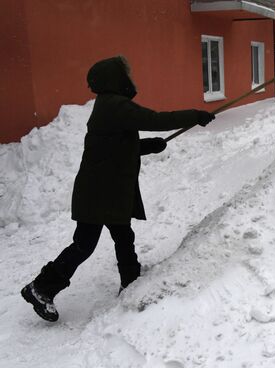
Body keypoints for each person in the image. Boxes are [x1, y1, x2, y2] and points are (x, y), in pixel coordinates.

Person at [21, 56, 216, 322]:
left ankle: (131, 281)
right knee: (84, 245)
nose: (130, 77)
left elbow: (114, 146)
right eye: (126, 73)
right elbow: (155, 119)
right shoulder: (114, 105)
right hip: (99, 192)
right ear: (115, 78)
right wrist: (195, 115)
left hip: (106, 190)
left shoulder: (110, 106)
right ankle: (40, 288)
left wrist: (147, 146)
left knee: (123, 236)